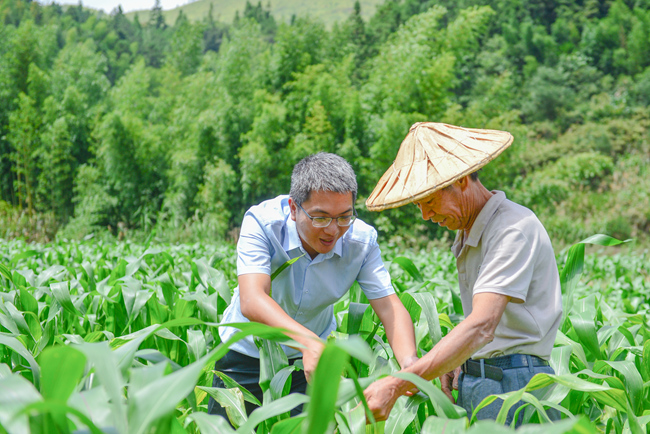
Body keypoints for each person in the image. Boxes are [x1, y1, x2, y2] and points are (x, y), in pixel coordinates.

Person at [363, 122, 562, 426]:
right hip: (485, 380)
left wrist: (398, 382)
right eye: (419, 205)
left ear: (462, 181)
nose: (426, 216)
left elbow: (482, 324)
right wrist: (458, 361)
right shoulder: (471, 231)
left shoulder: (512, 228)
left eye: (430, 201)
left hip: (514, 386)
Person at [209, 152, 418, 423]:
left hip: (309, 367)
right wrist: (307, 340)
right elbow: (252, 299)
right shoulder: (263, 223)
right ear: (294, 209)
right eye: (321, 218)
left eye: (344, 217)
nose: (333, 230)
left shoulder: (362, 241)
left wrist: (410, 364)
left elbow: (390, 308)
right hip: (245, 356)